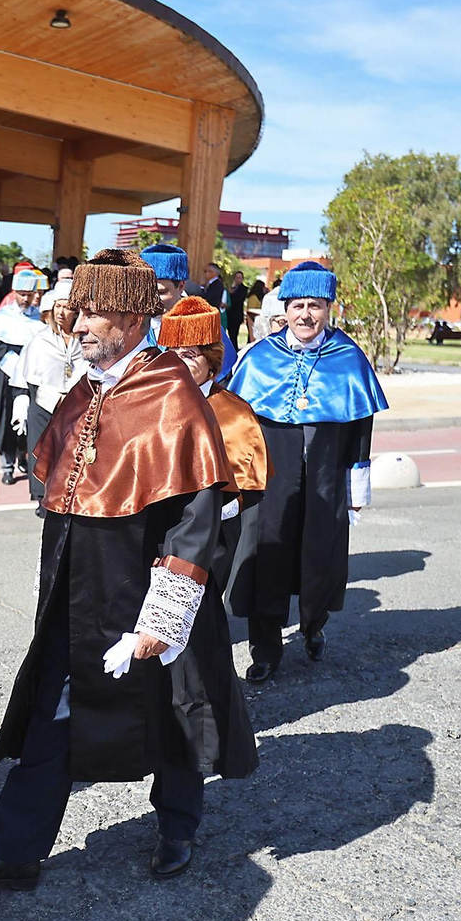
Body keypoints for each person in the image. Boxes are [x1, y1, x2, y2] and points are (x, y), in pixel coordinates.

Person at [0, 249, 258, 890]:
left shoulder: (171, 393)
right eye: (78, 310)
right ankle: (13, 852)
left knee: (176, 709)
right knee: (54, 711)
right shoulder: (84, 389)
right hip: (76, 594)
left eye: (95, 312)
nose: (78, 323)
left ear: (134, 317)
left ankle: (177, 825)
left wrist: (162, 619)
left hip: (148, 592)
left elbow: (193, 520)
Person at [227, 261, 388, 683]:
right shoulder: (260, 357)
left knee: (319, 557)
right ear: (285, 307)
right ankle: (265, 649)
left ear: (328, 308)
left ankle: (314, 627)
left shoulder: (348, 357)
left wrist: (356, 486)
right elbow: (238, 427)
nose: (305, 315)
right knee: (267, 556)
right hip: (270, 482)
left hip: (326, 479)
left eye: (315, 306)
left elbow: (360, 431)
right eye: (298, 305)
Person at [159, 296, 268, 586]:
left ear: (211, 360)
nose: (180, 363)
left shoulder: (234, 411)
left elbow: (249, 486)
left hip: (210, 532)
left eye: (191, 354)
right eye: (174, 354)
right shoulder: (155, 402)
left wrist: (210, 514)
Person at [12, 277, 84, 511]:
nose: (63, 312)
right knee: (42, 450)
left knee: (69, 451)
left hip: (74, 405)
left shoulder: (83, 340)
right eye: (59, 306)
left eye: (68, 307)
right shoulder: (40, 340)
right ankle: (42, 496)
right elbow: (27, 376)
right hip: (43, 403)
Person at [0, 267, 44, 484]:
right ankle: (7, 464)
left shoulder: (40, 317)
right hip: (8, 374)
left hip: (32, 375)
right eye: (22, 294)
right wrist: (15, 366)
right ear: (15, 293)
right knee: (6, 419)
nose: (26, 298)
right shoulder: (3, 317)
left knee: (30, 418)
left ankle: (23, 456)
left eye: (29, 294)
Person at [141, 243, 235, 377]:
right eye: (145, 291)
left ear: (181, 286)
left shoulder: (202, 322)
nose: (151, 300)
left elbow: (222, 377)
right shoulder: (131, 323)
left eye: (161, 292)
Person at [226, 270, 248, 348]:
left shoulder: (244, 289)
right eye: (236, 278)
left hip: (236, 315)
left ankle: (234, 349)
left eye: (240, 278)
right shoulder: (232, 288)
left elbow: (238, 300)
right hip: (230, 315)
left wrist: (231, 294)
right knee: (230, 334)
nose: (238, 279)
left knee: (234, 335)